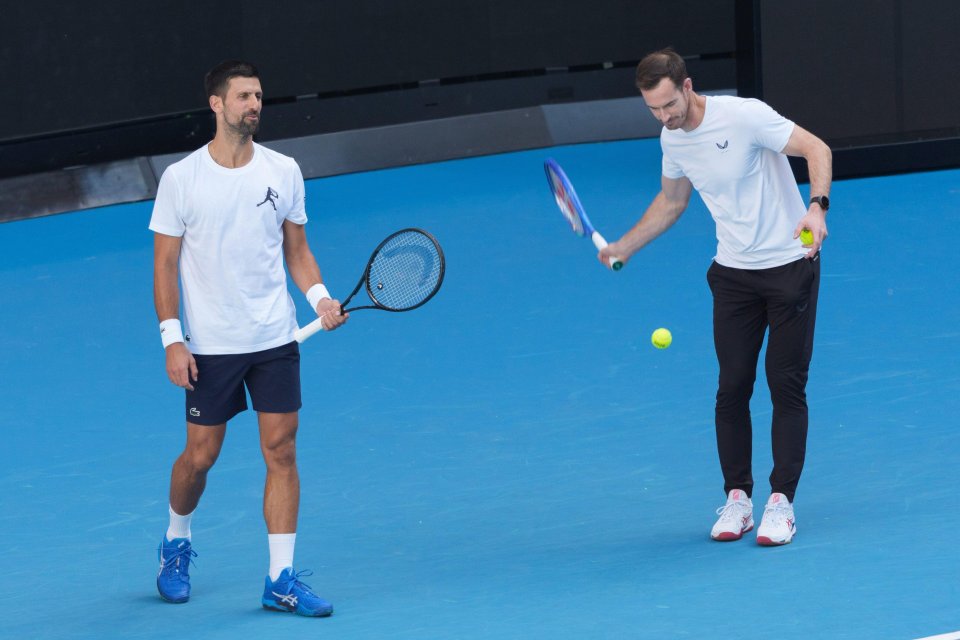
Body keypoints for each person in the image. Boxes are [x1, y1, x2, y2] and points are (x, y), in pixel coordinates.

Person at [599, 49, 832, 546]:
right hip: (733, 275)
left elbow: (817, 149)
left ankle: (780, 503)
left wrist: (816, 207)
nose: (663, 117)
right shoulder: (672, 140)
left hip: (790, 265)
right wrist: (626, 246)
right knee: (731, 389)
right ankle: (738, 499)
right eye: (653, 110)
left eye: (668, 105)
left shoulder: (745, 116)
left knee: (784, 384)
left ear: (687, 86)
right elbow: (672, 201)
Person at [149, 60, 348, 615]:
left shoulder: (283, 170)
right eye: (243, 96)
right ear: (216, 104)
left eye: (258, 95)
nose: (254, 104)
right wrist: (173, 338)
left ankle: (280, 579)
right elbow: (165, 266)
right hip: (210, 346)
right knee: (199, 457)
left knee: (281, 450)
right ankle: (176, 540)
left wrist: (320, 299)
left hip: (274, 337)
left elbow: (298, 252)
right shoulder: (181, 179)